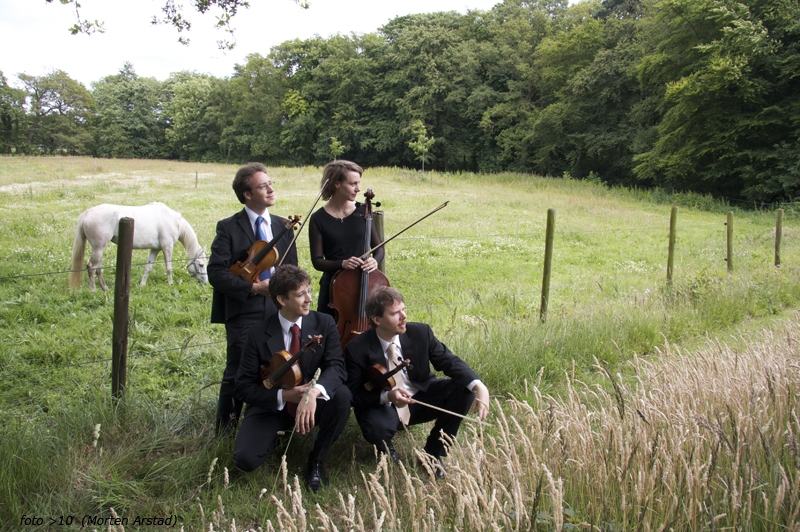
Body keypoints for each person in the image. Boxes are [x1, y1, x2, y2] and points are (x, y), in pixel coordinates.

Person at [344, 286, 490, 478]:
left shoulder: (421, 332)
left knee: (463, 390)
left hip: (421, 397)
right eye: (395, 313)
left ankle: (433, 453)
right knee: (375, 428)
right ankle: (384, 446)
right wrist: (387, 395)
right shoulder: (356, 348)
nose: (403, 316)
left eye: (403, 309)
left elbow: (449, 361)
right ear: (377, 319)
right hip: (385, 406)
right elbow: (354, 394)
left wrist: (479, 386)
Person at [233, 265, 351, 492]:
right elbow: (243, 387)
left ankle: (317, 460)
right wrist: (284, 395)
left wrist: (313, 393)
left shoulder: (324, 323)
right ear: (281, 299)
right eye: (300, 295)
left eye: (308, 291)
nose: (309, 299)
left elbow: (337, 366)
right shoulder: (257, 333)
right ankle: (275, 437)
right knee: (244, 460)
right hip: (272, 406)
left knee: (342, 396)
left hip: (312, 401)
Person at [208, 162, 298, 434]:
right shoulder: (228, 227)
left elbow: (293, 269)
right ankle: (226, 430)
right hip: (245, 309)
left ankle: (273, 427)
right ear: (247, 194)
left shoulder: (284, 225)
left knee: (278, 367)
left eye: (270, 184)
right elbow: (215, 272)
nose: (271, 189)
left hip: (278, 308)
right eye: (263, 185)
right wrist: (252, 288)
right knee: (238, 370)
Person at [308, 160, 384, 317]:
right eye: (353, 184)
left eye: (359, 183)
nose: (358, 188)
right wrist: (342, 264)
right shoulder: (318, 219)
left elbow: (379, 248)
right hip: (334, 288)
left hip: (365, 283)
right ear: (336, 184)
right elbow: (317, 261)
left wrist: (375, 260)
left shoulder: (364, 212)